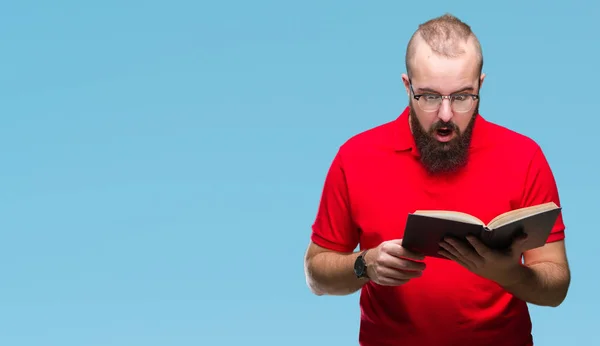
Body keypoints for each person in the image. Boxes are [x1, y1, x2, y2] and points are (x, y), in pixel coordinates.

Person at [303, 13, 571, 346]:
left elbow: (557, 286)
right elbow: (316, 276)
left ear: (481, 86)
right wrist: (365, 264)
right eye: (429, 96)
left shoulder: (525, 157)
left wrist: (508, 273)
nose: (445, 115)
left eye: (462, 96)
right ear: (407, 86)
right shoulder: (356, 157)